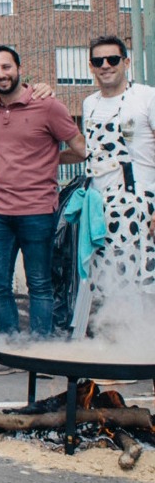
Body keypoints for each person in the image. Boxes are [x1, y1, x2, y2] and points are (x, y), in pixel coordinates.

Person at [0, 45, 86, 339]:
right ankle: (11, 349)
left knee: (38, 283)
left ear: (19, 68)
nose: (1, 74)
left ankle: (39, 352)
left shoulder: (49, 106)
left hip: (38, 211)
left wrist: (50, 159)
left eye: (6, 67)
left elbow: (80, 150)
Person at [82, 36, 155, 292]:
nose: (105, 65)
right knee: (107, 284)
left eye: (112, 59)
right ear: (90, 66)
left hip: (140, 205)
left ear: (126, 62)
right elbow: (89, 151)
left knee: (144, 281)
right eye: (98, 61)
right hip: (99, 208)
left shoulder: (147, 97)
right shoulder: (89, 103)